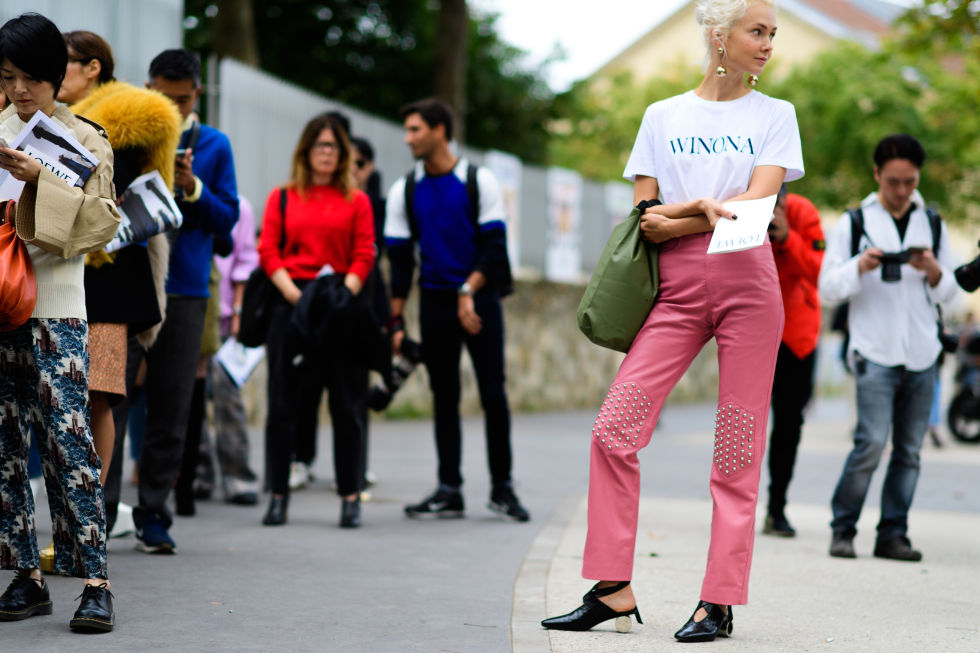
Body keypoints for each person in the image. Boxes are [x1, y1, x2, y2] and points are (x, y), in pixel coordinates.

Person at [542, 0, 802, 642]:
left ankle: (718, 600)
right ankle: (611, 590)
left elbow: (756, 204)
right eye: (757, 30)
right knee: (613, 430)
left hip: (749, 284)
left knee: (737, 447)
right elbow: (644, 217)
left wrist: (688, 212)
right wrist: (703, 209)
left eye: (772, 33)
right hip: (677, 291)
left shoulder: (776, 116)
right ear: (719, 34)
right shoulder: (662, 115)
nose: (768, 43)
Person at [0, 12, 121, 632]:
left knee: (69, 443)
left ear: (55, 76)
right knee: (3, 446)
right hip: (0, 307)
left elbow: (103, 224)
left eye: (30, 78)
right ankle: (26, 575)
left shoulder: (85, 137)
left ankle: (95, 581)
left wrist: (36, 179)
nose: (20, 91)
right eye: (8, 77)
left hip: (56, 307)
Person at [57, 31, 179, 532]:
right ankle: (73, 516)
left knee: (100, 393)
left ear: (92, 68)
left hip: (113, 282)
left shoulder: (132, 122)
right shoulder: (32, 117)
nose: (47, 73)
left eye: (60, 63)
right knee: (58, 401)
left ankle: (88, 518)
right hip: (55, 278)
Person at [385, 98, 529, 522]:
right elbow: (399, 264)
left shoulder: (476, 181)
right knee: (443, 396)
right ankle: (449, 488)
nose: (409, 138)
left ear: (440, 131)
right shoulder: (405, 189)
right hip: (434, 303)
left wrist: (467, 289)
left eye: (416, 130)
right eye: (408, 130)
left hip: (479, 299)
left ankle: (502, 488)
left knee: (493, 394)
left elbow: (494, 249)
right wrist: (395, 320)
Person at [819, 134, 958, 562]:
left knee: (910, 452)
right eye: (894, 181)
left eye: (910, 182)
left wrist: (934, 270)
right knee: (870, 444)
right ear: (877, 174)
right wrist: (860, 266)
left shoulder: (932, 223)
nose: (901, 191)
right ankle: (843, 529)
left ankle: (892, 534)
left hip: (922, 354)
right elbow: (827, 288)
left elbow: (953, 293)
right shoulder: (854, 222)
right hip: (874, 351)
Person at [122, 49, 239, 553]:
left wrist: (192, 190)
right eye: (161, 97)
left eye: (182, 99)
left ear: (197, 96)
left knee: (172, 404)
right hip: (130, 279)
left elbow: (228, 221)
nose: (171, 106)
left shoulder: (214, 144)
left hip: (187, 286)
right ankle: (101, 512)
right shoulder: (125, 132)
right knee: (112, 397)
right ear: (147, 87)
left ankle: (154, 513)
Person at [258, 113, 376, 529]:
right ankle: (277, 495)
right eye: (319, 145)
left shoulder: (356, 200)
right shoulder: (283, 196)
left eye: (333, 147)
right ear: (305, 152)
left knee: (346, 404)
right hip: (291, 304)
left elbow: (365, 252)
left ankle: (350, 497)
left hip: (340, 305)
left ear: (343, 155)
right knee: (282, 406)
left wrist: (345, 295)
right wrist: (295, 295)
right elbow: (268, 250)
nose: (326, 153)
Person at [762, 185, 824, 537]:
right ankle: (734, 508)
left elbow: (819, 273)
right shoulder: (741, 207)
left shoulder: (804, 213)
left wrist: (787, 237)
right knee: (742, 423)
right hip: (753, 328)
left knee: (788, 425)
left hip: (797, 336)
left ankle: (776, 508)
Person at [194, 196, 262, 505]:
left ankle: (238, 476)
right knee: (191, 399)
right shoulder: (184, 197)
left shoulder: (240, 208)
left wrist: (238, 312)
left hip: (221, 319)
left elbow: (246, 262)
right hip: (190, 311)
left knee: (227, 399)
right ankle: (199, 473)